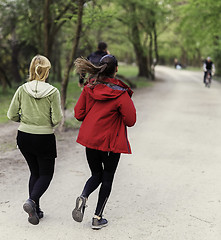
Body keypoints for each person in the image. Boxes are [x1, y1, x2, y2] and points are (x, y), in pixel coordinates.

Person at [73, 55, 136, 229]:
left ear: (100, 68)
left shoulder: (89, 88)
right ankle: (97, 217)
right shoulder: (120, 94)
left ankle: (84, 196)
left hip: (91, 140)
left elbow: (78, 114)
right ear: (116, 69)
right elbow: (130, 120)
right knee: (107, 178)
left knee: (96, 174)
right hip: (110, 143)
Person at [7, 55, 63, 225]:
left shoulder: (22, 89)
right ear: (47, 71)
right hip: (44, 138)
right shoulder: (53, 92)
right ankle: (31, 201)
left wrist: (25, 121)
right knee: (46, 174)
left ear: (31, 69)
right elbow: (56, 119)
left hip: (24, 136)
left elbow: (11, 114)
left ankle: (35, 211)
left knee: (35, 172)